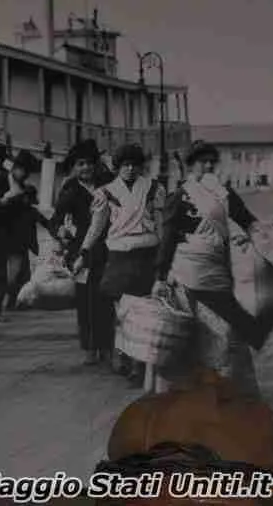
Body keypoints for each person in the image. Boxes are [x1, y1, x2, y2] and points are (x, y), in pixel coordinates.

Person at [152, 140, 273, 388]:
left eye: (211, 161)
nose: (208, 166)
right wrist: (159, 277)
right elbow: (167, 241)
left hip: (219, 270)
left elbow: (249, 222)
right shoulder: (179, 198)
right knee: (197, 331)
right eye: (202, 161)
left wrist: (255, 237)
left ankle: (234, 387)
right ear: (191, 166)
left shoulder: (225, 194)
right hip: (188, 273)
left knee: (230, 333)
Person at [73, 143, 166, 386]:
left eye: (134, 165)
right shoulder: (105, 193)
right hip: (118, 257)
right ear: (117, 167)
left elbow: (161, 224)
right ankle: (126, 355)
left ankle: (137, 363)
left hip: (146, 253)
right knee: (123, 312)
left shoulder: (154, 188)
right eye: (125, 165)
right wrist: (83, 252)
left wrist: (165, 257)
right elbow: (96, 227)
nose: (130, 169)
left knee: (143, 312)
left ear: (141, 166)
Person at [47, 139, 114, 365]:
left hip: (107, 248)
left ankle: (107, 346)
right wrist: (60, 230)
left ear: (96, 164)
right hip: (80, 254)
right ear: (74, 167)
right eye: (80, 164)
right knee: (85, 301)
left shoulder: (109, 185)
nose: (85, 168)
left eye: (89, 163)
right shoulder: (70, 190)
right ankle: (89, 347)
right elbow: (55, 220)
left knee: (105, 299)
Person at [0, 149, 46, 320]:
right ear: (15, 168)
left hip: (17, 238)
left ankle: (9, 302)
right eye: (22, 170)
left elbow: (31, 212)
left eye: (27, 172)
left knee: (15, 275)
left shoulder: (25, 188)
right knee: (0, 274)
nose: (24, 175)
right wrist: (0, 201)